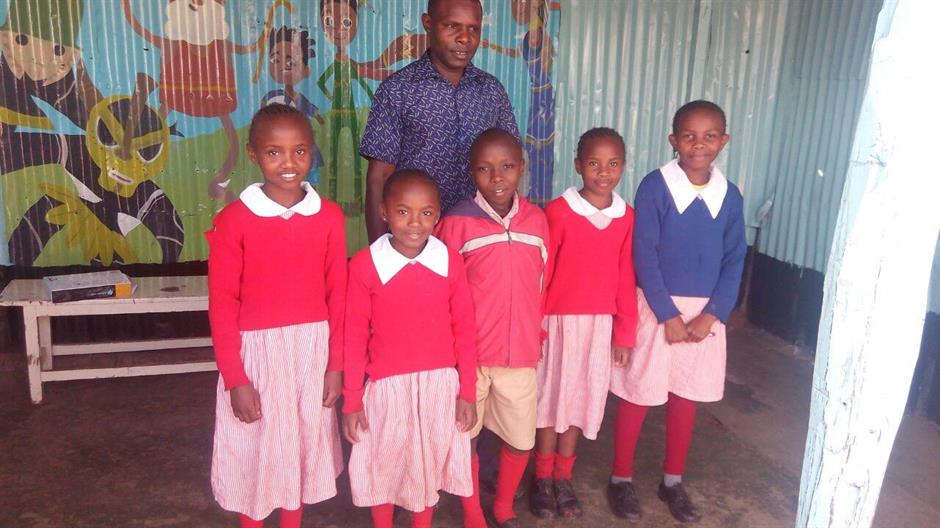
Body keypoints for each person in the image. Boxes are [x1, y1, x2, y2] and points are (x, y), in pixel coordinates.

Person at [206, 104, 347, 528]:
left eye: (299, 151)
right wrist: (235, 379)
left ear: (312, 152)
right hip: (257, 358)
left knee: (300, 448)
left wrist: (336, 366)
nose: (289, 162)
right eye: (274, 152)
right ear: (253, 155)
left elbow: (338, 294)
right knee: (254, 448)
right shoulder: (233, 221)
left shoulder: (329, 217)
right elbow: (222, 301)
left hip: (311, 355)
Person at [608, 100, 746, 523]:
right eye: (689, 136)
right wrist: (666, 313)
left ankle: (672, 482)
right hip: (657, 308)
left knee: (686, 395)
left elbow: (735, 258)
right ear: (673, 140)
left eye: (709, 137)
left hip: (704, 316)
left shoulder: (730, 196)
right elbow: (644, 252)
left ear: (724, 141)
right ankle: (620, 479)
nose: (698, 144)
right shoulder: (656, 186)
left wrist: (713, 313)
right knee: (639, 393)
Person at [343, 170, 478, 528]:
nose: (415, 223)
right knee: (383, 464)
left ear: (437, 216)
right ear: (384, 212)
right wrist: (352, 399)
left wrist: (467, 391)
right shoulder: (365, 264)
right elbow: (354, 335)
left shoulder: (450, 261)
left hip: (439, 387)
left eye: (426, 213)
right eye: (403, 211)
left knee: (426, 465)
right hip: (386, 389)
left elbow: (464, 328)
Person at [435, 129, 549, 528]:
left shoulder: (537, 221)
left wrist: (535, 334)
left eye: (507, 167)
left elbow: (543, 284)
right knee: (465, 435)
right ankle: (472, 513)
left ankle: (502, 506)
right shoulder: (456, 223)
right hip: (470, 358)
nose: (497, 177)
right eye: (484, 169)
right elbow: (442, 290)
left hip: (520, 356)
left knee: (520, 439)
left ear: (521, 168)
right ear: (472, 173)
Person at [531, 127, 638, 519]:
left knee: (579, 401)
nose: (603, 172)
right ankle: (541, 477)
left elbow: (626, 278)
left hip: (598, 328)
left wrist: (624, 333)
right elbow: (543, 274)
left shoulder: (626, 217)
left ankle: (563, 477)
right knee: (550, 399)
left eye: (613, 164)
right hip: (558, 325)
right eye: (594, 163)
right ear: (578, 165)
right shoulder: (559, 212)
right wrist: (535, 327)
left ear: (623, 166)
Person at [359, 0, 519, 242]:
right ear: (428, 23)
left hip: (479, 240)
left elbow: (511, 165)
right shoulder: (397, 90)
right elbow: (379, 178)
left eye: (473, 28)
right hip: (415, 241)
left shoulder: (492, 91)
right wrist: (380, 250)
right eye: (452, 26)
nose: (464, 38)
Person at [261, 26, 325, 179]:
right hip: (288, 149)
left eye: (291, 63)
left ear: (306, 70)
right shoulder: (274, 98)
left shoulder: (299, 99)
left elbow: (316, 115)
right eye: (275, 60)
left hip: (305, 150)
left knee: (310, 180)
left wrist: (319, 120)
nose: (282, 68)